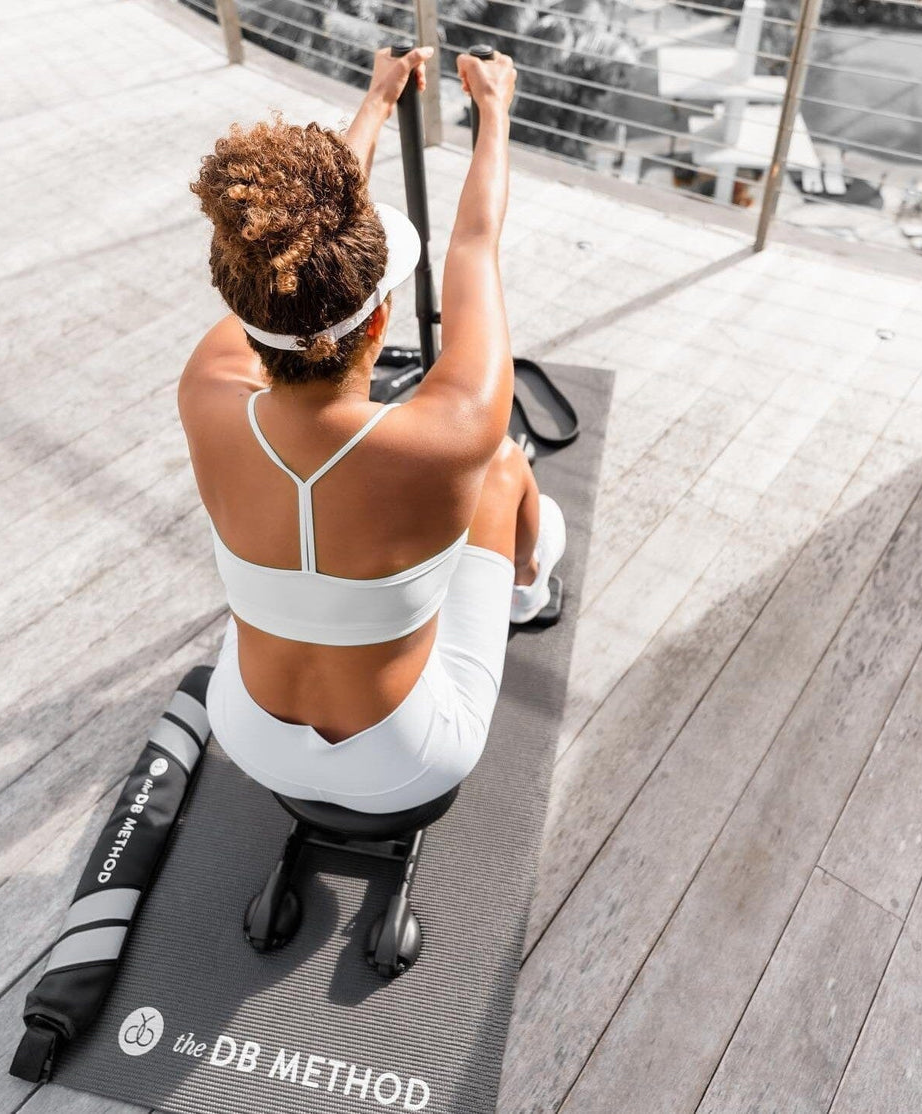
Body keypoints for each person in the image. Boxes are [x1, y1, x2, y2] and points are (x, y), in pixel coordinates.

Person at [178, 46, 566, 814]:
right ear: (383, 315)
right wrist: (495, 111)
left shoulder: (205, 393)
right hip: (405, 761)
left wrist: (377, 103)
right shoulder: (453, 432)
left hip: (246, 733)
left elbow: (277, 263)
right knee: (505, 472)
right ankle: (528, 592)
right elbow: (474, 247)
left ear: (246, 309)